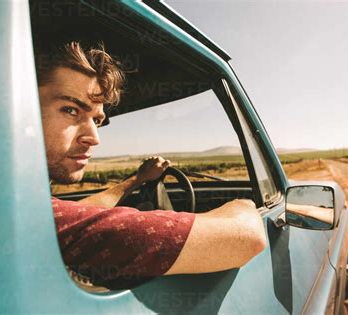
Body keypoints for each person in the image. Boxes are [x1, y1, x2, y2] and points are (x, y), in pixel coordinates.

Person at [36, 41, 267, 289]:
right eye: (70, 110)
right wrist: (245, 204)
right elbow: (246, 238)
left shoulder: (38, 215)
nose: (94, 137)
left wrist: (138, 179)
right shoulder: (55, 223)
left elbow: (81, 213)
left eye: (97, 120)